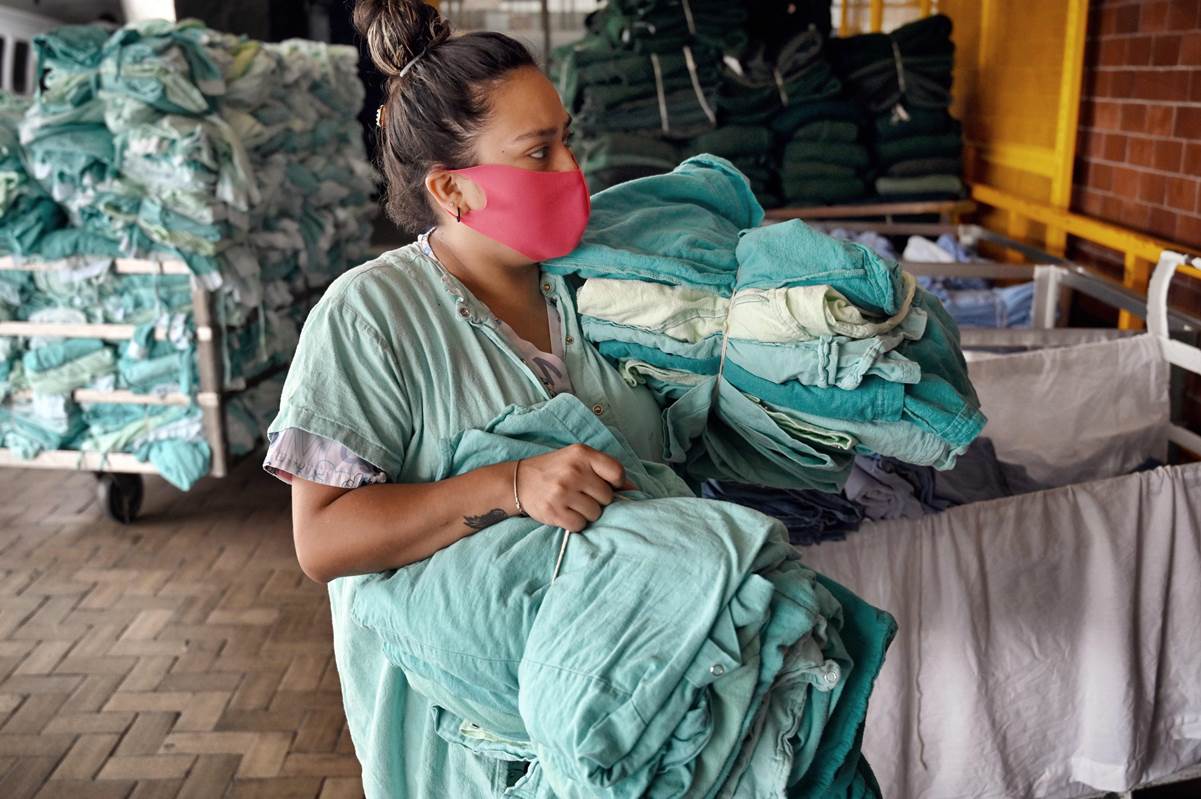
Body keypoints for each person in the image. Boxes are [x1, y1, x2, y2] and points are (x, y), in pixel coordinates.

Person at [262, 0, 670, 793]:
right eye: (538, 152)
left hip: (629, 705)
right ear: (453, 189)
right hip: (465, 743)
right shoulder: (372, 315)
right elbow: (322, 540)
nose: (572, 171)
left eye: (568, 140)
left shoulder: (598, 287)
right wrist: (510, 485)